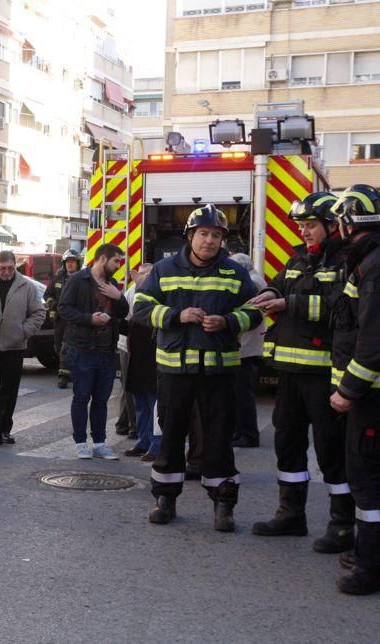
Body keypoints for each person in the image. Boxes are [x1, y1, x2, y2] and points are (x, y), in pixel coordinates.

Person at [134, 204, 262, 531]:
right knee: (172, 434)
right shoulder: (164, 270)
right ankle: (165, 498)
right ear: (190, 236)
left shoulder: (235, 273)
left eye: (216, 235)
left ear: (223, 240)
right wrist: (178, 316)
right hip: (175, 372)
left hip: (219, 372)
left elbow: (256, 311)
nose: (209, 241)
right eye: (203, 234)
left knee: (218, 438)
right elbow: (141, 307)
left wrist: (230, 321)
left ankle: (223, 504)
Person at [250, 192, 353, 553]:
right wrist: (268, 292)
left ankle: (342, 525)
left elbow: (341, 307)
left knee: (331, 451)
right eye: (302, 226)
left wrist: (287, 302)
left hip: (325, 374)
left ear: (330, 224)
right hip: (290, 374)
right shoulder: (298, 257)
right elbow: (281, 283)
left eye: (310, 225)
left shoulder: (346, 260)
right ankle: (290, 514)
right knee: (287, 443)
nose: (305, 232)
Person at [327, 185, 380, 595]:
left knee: (368, 481)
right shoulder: (369, 260)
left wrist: (349, 389)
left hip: (372, 398)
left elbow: (372, 339)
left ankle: (370, 568)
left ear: (349, 222)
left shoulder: (373, 266)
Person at [58, 243, 129, 460]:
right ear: (102, 259)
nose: (119, 265)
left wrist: (118, 297)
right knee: (81, 397)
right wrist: (90, 319)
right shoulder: (79, 280)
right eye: (116, 260)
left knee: (101, 400)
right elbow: (64, 308)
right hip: (82, 349)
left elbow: (124, 312)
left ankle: (99, 443)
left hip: (107, 351)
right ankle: (80, 443)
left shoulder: (112, 283)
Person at [0, 250, 45, 446]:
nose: (6, 272)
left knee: (9, 390)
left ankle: (4, 429)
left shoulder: (26, 286)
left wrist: (24, 331)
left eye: (10, 268)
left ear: (15, 266)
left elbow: (38, 313)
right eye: (2, 268)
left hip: (14, 346)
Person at [227, 253, 267, 448]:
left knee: (242, 393)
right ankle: (240, 432)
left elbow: (249, 314)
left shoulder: (252, 282)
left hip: (246, 347)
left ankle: (248, 434)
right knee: (238, 392)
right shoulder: (255, 279)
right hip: (247, 346)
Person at [123, 264, 159, 460]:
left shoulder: (159, 295)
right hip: (137, 356)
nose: (141, 277)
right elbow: (129, 320)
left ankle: (156, 445)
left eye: (146, 275)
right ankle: (143, 440)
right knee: (141, 403)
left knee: (154, 405)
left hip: (153, 358)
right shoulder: (134, 292)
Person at [44, 249, 81, 388]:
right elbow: (47, 295)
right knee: (59, 345)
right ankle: (66, 372)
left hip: (76, 319)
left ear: (78, 263)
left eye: (73, 262)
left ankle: (64, 376)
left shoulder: (82, 279)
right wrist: (53, 304)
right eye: (68, 262)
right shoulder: (58, 279)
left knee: (72, 346)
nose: (70, 264)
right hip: (60, 319)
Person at [114, 269, 138, 439]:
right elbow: (127, 323)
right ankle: (131, 426)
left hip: (132, 345)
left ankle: (123, 423)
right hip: (128, 345)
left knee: (128, 386)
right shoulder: (134, 293)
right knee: (130, 386)